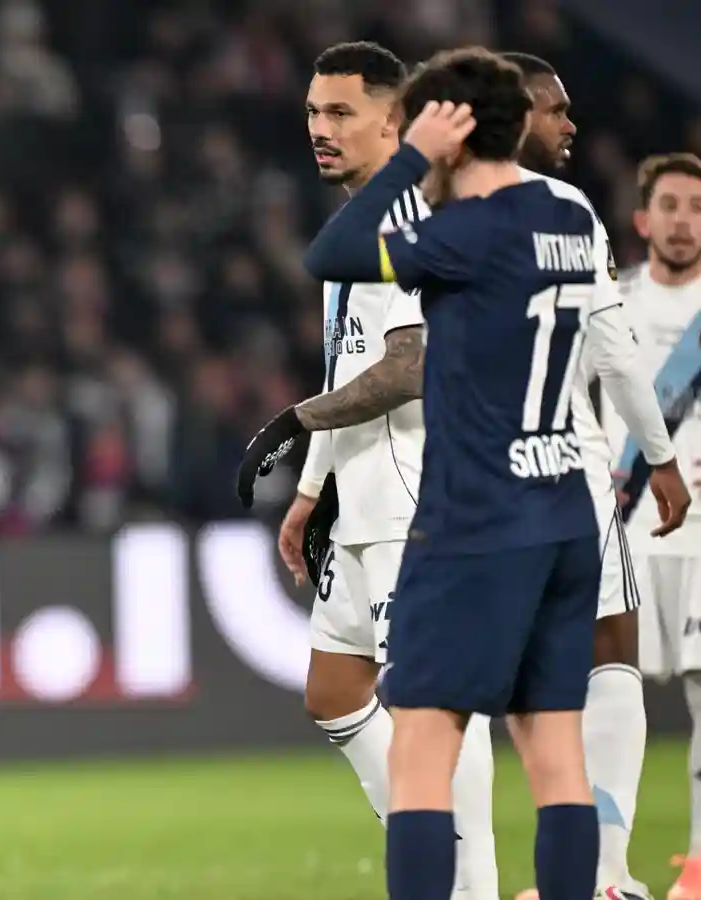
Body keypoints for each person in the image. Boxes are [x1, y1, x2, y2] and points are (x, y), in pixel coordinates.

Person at [288, 48, 665, 900]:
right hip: (564, 501)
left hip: (472, 510)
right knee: (555, 751)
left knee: (423, 745)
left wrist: (415, 156)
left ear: (450, 128)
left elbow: (336, 249)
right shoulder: (569, 214)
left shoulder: (456, 234)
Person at [276, 41, 501, 900]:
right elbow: (348, 362)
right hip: (360, 494)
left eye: (339, 113)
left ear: (394, 120)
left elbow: (409, 364)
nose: (319, 130)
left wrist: (298, 422)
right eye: (311, 113)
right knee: (334, 692)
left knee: (431, 705)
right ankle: (428, 853)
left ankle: (466, 880)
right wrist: (308, 490)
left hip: (419, 498)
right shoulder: (357, 221)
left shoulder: (411, 216)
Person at [500, 51, 689, 900]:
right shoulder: (566, 211)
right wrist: (660, 459)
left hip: (471, 483)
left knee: (498, 688)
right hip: (566, 473)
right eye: (554, 109)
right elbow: (614, 356)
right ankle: (599, 875)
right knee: (610, 653)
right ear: (512, 113)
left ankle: (513, 878)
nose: (571, 124)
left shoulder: (431, 208)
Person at [603, 152, 701, 900]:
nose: (683, 220)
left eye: (697, 207)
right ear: (644, 219)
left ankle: (699, 868)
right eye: (670, 205)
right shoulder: (611, 302)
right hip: (620, 532)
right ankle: (606, 871)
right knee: (606, 700)